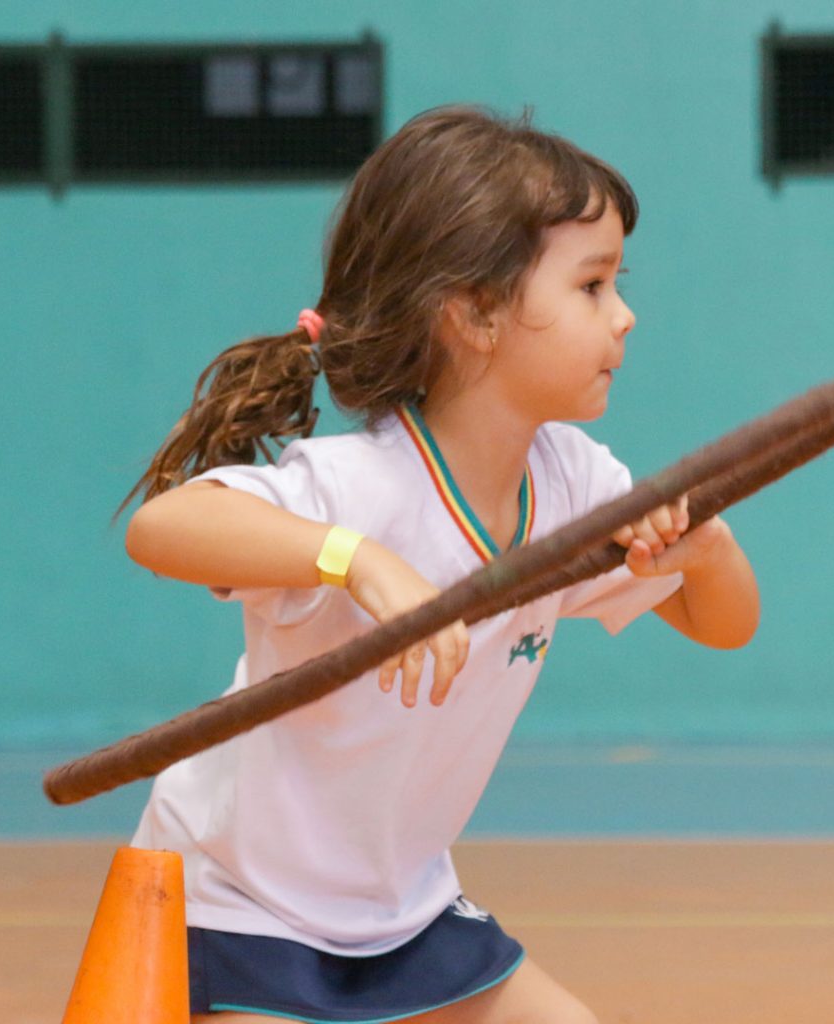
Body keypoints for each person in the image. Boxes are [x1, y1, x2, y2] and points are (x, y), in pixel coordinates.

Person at [123, 105, 760, 1024]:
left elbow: (722, 624)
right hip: (242, 908)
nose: (626, 317)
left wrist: (708, 548)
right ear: (474, 314)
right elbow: (166, 528)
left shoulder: (577, 485)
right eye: (591, 286)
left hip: (404, 912)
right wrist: (356, 563)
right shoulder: (359, 484)